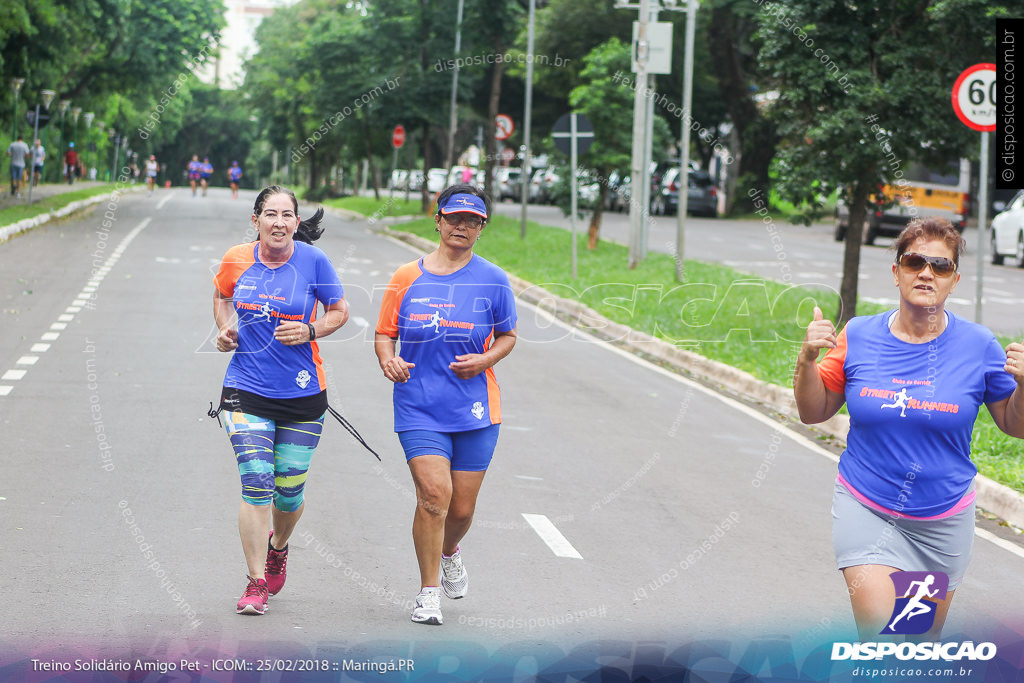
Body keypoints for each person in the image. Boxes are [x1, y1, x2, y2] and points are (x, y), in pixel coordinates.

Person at [793, 217, 1024, 641]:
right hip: (868, 508)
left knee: (913, 647)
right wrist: (805, 362)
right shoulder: (858, 335)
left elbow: (1015, 424)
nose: (926, 273)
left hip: (942, 522)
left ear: (954, 281)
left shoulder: (979, 345)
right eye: (915, 261)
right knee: (884, 639)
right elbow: (814, 411)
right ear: (896, 271)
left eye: (940, 266)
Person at [374, 184, 518, 625]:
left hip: (475, 409)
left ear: (481, 229)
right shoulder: (405, 277)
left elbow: (509, 336)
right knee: (435, 497)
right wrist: (388, 360)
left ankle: (450, 550)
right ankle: (428, 591)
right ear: (437, 220)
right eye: (455, 217)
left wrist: (485, 359)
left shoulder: (493, 280)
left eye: (473, 220)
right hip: (419, 405)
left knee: (461, 510)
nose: (462, 226)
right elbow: (384, 333)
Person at [212, 185, 349, 615]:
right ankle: (255, 583)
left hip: (303, 392)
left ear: (295, 221)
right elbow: (221, 295)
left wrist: (311, 331)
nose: (279, 222)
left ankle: (278, 546)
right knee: (256, 481)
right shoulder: (237, 258)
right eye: (270, 214)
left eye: (287, 215)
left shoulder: (313, 262)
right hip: (245, 387)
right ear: (256, 221)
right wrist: (225, 328)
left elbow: (339, 310)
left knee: (288, 492)